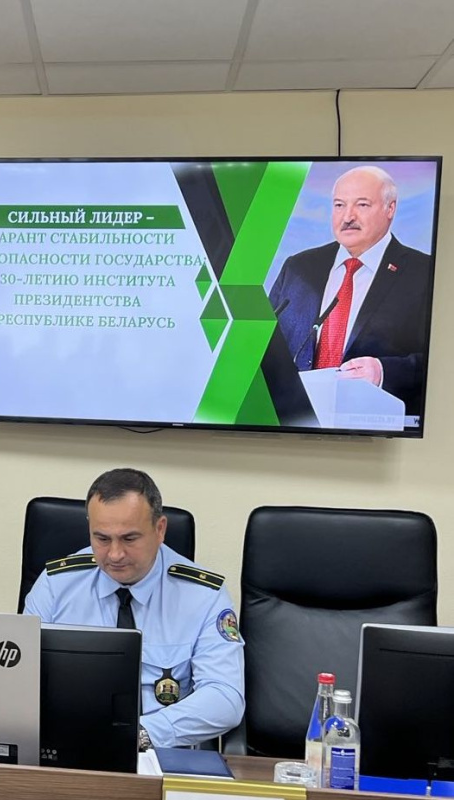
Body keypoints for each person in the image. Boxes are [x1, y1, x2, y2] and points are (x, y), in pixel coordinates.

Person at [23, 468, 244, 749]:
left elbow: (225, 697)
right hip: (69, 747)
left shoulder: (203, 595)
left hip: (160, 750)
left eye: (129, 539)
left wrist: (140, 734)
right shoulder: (57, 585)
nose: (115, 554)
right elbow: (19, 678)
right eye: (102, 539)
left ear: (160, 529)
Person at [268, 165, 431, 420]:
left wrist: (383, 371)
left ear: (390, 209)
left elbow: (439, 359)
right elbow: (263, 347)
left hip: (374, 425)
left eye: (362, 205)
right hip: (290, 423)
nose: (347, 216)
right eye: (339, 205)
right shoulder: (298, 268)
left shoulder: (423, 272)